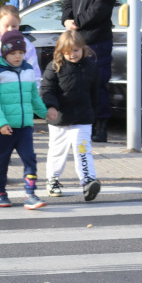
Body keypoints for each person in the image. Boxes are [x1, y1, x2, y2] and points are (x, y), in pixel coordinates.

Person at [0, 30, 49, 210]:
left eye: (20, 53)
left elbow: (34, 98)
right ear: (5, 53)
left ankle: (30, 193)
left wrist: (45, 113)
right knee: (2, 160)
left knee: (30, 159)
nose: (17, 56)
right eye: (13, 53)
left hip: (25, 127)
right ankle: (1, 192)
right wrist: (0, 124)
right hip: (5, 129)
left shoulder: (29, 70)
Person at [62, 0, 117, 142]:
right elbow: (67, 3)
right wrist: (66, 19)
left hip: (97, 42)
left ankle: (101, 126)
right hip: (76, 41)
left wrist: (77, 22)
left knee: (98, 84)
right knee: (78, 83)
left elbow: (100, 9)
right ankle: (84, 123)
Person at [40, 30, 101, 201]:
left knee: (82, 150)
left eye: (76, 50)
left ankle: (88, 181)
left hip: (82, 118)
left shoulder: (90, 66)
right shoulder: (55, 67)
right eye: (68, 51)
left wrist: (94, 113)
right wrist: (51, 106)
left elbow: (95, 92)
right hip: (59, 119)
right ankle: (52, 179)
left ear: (83, 49)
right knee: (57, 151)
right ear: (61, 51)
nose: (72, 54)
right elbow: (46, 89)